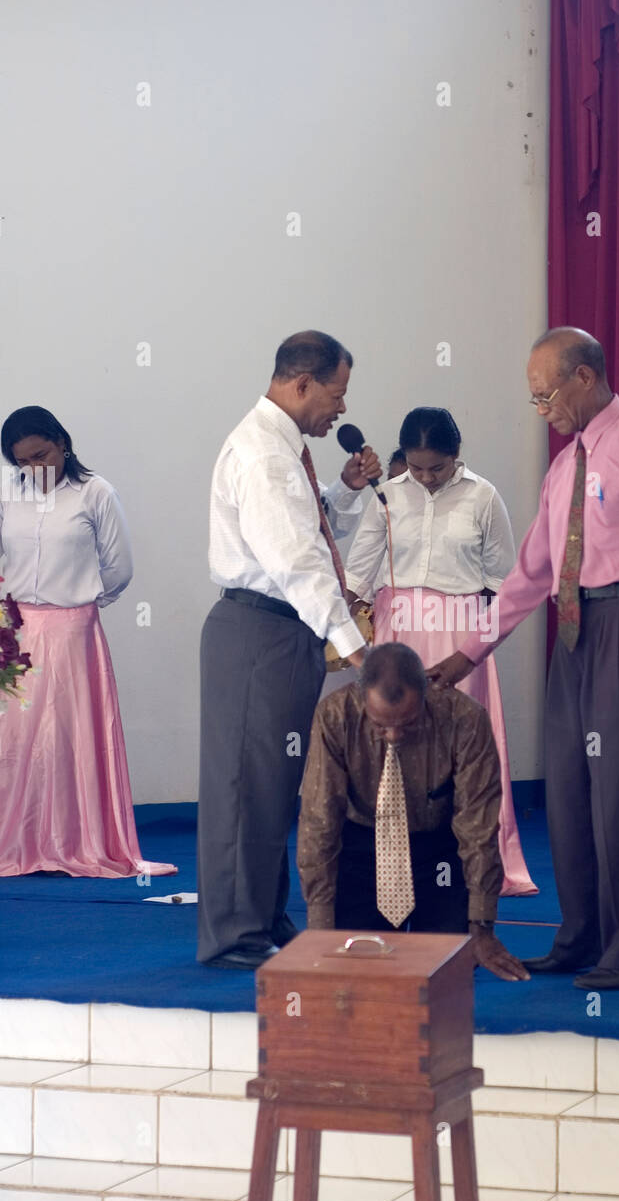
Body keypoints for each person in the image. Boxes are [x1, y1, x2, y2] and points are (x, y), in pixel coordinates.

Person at [429, 328, 619, 990]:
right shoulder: (566, 465)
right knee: (569, 789)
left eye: (545, 395)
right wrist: (464, 654)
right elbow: (531, 573)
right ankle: (581, 935)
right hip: (573, 630)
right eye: (534, 400)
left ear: (585, 377)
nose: (541, 409)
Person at [197, 330, 381, 970]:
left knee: (274, 786)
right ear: (302, 384)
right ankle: (234, 935)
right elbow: (296, 561)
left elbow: (304, 530)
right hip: (261, 631)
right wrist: (358, 651)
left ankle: (262, 920)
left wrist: (347, 492)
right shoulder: (265, 455)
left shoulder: (284, 448)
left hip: (280, 631)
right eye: (337, 393)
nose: (342, 409)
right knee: (247, 787)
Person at [344, 407, 537, 895]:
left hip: (459, 637)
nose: (426, 477)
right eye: (416, 467)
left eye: (437, 467)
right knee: (393, 745)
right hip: (397, 634)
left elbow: (503, 582)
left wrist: (475, 646)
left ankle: (476, 864)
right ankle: (394, 863)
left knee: (463, 750)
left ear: (457, 456)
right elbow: (358, 573)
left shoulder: (484, 497)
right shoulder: (386, 494)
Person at [0, 406, 176, 879]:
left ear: (62, 442)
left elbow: (119, 567)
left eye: (41, 456)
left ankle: (80, 842)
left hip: (74, 628)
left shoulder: (95, 493)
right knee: (15, 740)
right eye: (22, 463)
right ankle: (20, 838)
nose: (34, 470)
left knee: (72, 735)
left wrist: (83, 602)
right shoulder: (7, 494)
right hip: (17, 632)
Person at [297, 643, 530, 981]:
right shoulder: (334, 715)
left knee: (445, 972)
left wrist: (481, 926)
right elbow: (319, 822)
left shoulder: (465, 719)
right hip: (361, 850)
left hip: (438, 855)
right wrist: (319, 928)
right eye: (380, 726)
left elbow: (477, 828)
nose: (393, 736)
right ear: (362, 698)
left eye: (407, 724)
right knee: (351, 975)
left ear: (427, 693)